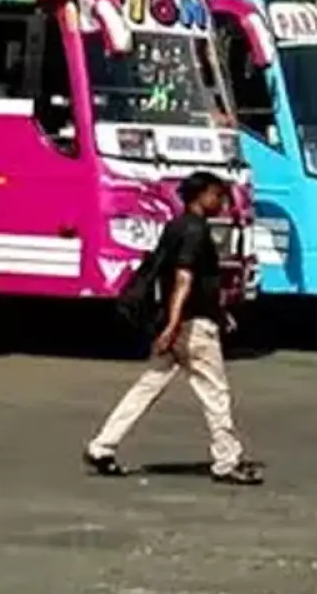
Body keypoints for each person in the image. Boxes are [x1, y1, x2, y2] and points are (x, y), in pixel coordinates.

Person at [84, 170, 261, 485]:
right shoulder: (195, 231)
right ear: (201, 195)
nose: (222, 202)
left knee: (147, 386)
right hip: (192, 327)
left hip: (181, 323)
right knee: (214, 392)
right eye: (217, 195)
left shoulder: (175, 227)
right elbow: (184, 278)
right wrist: (175, 323)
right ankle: (226, 459)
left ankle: (103, 446)